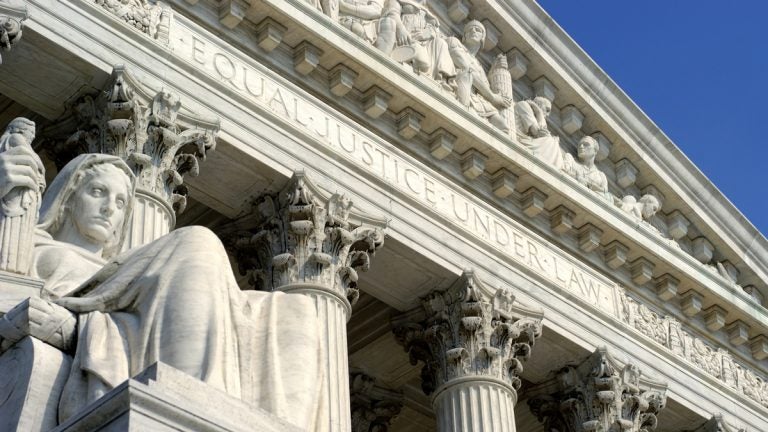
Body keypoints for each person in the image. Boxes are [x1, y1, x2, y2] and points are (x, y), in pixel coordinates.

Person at [0, 151, 326, 428]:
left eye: (120, 201)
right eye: (97, 191)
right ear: (69, 197)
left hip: (127, 327)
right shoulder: (35, 245)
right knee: (196, 241)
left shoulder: (129, 265)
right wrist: (9, 200)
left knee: (297, 311)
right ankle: (192, 415)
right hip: (113, 327)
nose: (109, 208)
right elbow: (11, 308)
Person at [447, 20, 511, 132]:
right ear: (464, 37)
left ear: (482, 38)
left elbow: (484, 85)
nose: (473, 31)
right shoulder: (454, 42)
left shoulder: (480, 67)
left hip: (478, 101)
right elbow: (467, 68)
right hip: (459, 86)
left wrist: (492, 72)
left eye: (478, 29)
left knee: (504, 128)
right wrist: (492, 96)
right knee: (467, 74)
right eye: (469, 30)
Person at [514, 96, 564, 169]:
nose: (548, 114)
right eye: (547, 110)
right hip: (520, 139)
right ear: (538, 104)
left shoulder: (535, 117)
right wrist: (539, 112)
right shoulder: (524, 105)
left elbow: (542, 132)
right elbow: (537, 131)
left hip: (527, 140)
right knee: (552, 142)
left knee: (553, 142)